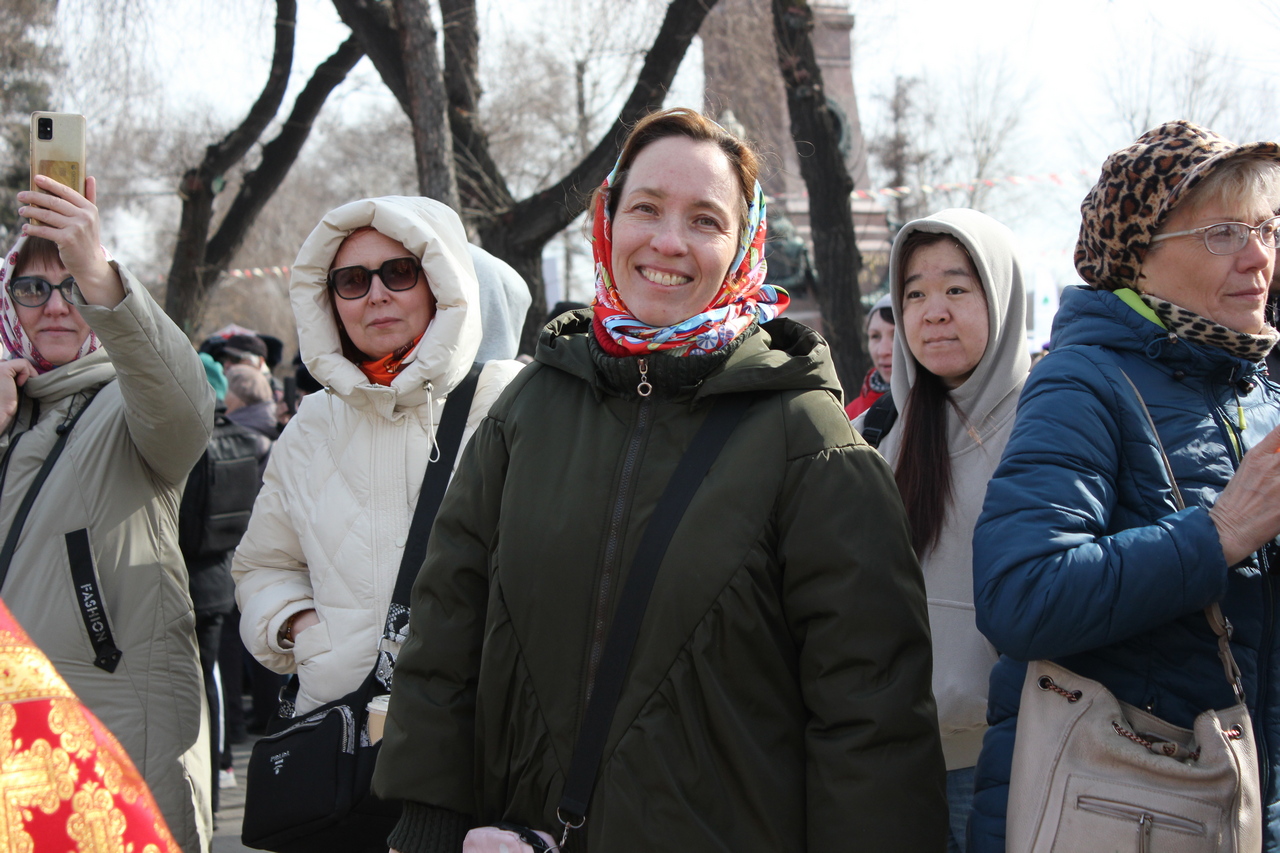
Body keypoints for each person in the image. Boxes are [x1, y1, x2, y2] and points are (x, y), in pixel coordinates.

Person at [372, 107, 946, 853]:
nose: (669, 242)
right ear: (608, 220)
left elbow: (871, 712)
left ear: (744, 243)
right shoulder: (528, 410)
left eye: (705, 220)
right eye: (646, 208)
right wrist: (428, 817)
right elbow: (445, 634)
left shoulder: (808, 439)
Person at [969, 120, 1280, 850]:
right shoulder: (1081, 383)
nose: (1259, 256)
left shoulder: (1258, 393)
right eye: (1223, 234)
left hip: (1247, 811)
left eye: (1267, 228)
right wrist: (1220, 533)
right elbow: (1020, 595)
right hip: (1127, 808)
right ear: (1136, 258)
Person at [230, 196, 525, 827]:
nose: (376, 295)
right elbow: (263, 566)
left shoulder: (513, 404)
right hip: (339, 752)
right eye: (351, 280)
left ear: (440, 278)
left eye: (400, 271)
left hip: (482, 755)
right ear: (328, 298)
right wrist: (302, 629)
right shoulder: (310, 425)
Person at [2, 176, 215, 850]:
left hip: (113, 746)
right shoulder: (6, 410)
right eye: (32, 289)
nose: (55, 307)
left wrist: (98, 271)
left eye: (72, 286)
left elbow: (185, 410)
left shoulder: (130, 405)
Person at [854, 209, 1029, 852]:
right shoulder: (878, 436)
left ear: (1002, 297)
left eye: (956, 288)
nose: (933, 313)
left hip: (1015, 761)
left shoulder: (1052, 428)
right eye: (915, 294)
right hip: (896, 761)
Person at [844, 292, 895, 418]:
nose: (882, 351)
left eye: (896, 336)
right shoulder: (849, 415)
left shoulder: (941, 406)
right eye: (875, 336)